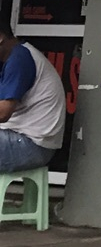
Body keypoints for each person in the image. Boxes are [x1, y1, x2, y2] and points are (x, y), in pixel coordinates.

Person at [0, 19, 67, 177]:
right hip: (21, 139)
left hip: (31, 145)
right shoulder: (10, 58)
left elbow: (3, 113)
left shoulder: (19, 58)